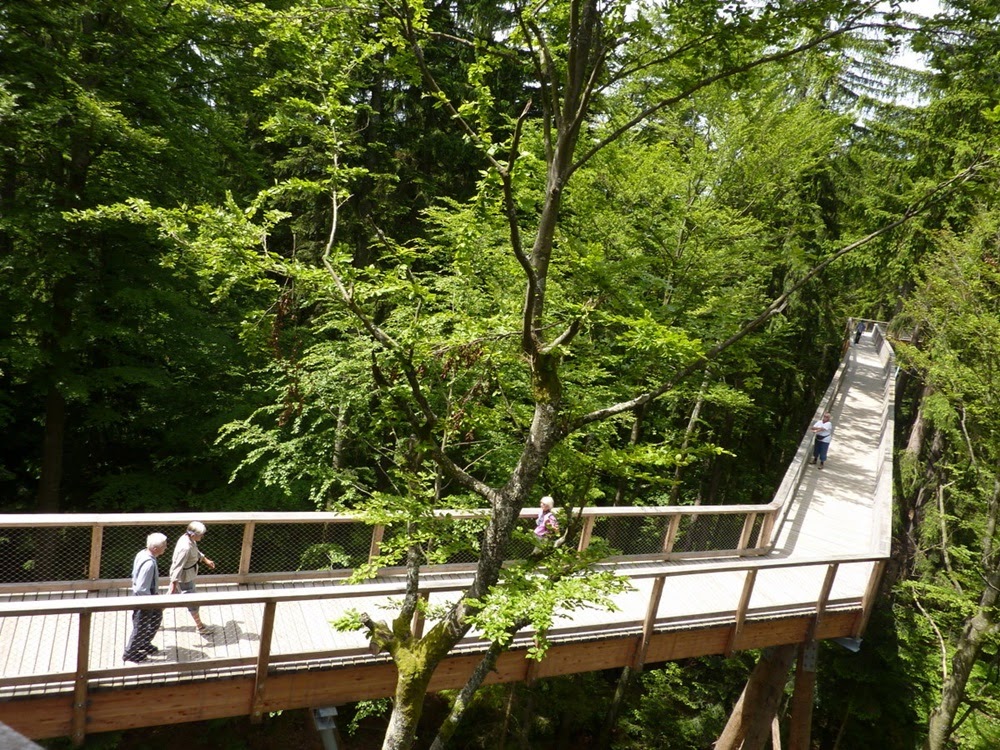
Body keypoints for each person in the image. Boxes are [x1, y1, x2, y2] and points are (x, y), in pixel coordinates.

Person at [123, 532, 168, 663]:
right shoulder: (149, 564)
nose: (166, 548)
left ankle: (143, 643)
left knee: (155, 619)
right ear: (155, 549)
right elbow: (141, 589)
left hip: (149, 597)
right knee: (141, 626)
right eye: (164, 546)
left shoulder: (142, 553)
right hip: (145, 600)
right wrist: (150, 601)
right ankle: (130, 653)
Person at [169, 521, 216, 635]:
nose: (202, 536)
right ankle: (200, 627)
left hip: (187, 576)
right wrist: (174, 584)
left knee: (169, 599)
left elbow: (195, 552)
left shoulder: (188, 539)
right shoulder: (185, 548)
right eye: (201, 535)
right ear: (193, 534)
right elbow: (177, 567)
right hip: (184, 578)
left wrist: (205, 560)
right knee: (192, 602)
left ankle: (153, 615)